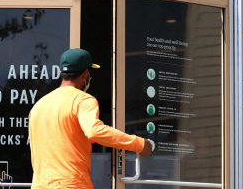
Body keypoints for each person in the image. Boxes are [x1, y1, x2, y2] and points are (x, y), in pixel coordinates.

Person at [29, 48, 152, 189]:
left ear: (61, 73)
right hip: (71, 185)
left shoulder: (38, 106)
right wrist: (138, 144)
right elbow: (94, 131)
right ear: (86, 74)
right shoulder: (83, 100)